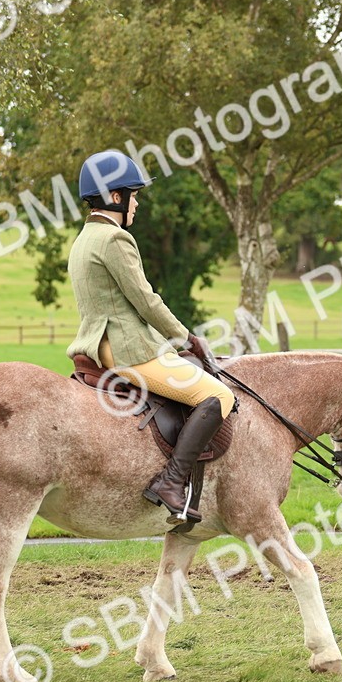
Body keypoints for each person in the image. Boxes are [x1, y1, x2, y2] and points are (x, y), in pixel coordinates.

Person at [66, 151, 234, 524]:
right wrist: (187, 338)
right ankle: (171, 483)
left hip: (97, 347)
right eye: (133, 194)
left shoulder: (83, 240)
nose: (137, 203)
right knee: (218, 394)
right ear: (114, 197)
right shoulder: (114, 239)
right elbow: (146, 301)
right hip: (129, 350)